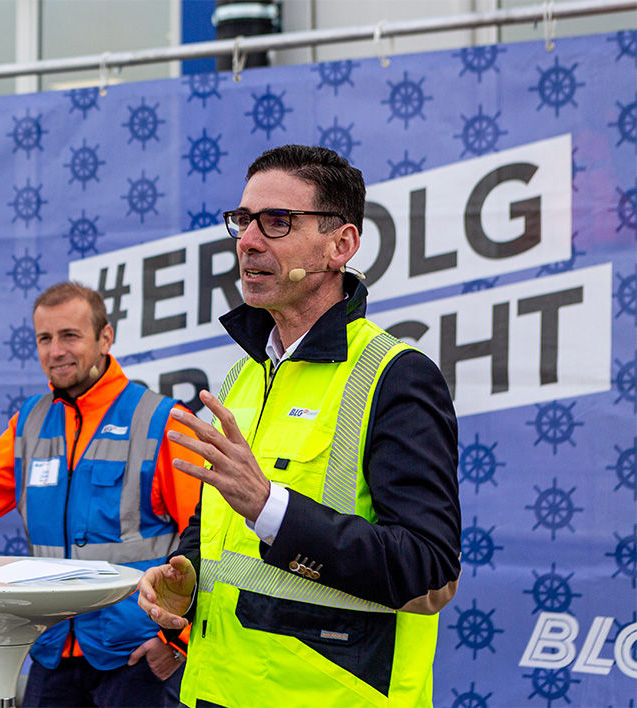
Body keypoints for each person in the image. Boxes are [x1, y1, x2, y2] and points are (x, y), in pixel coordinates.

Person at [137, 144, 462, 708]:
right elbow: (217, 530)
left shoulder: (396, 376)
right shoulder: (243, 374)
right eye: (242, 221)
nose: (249, 240)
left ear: (343, 245)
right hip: (214, 691)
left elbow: (428, 573)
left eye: (277, 222)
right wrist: (184, 579)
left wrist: (270, 507)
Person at [0, 281, 202, 708]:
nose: (55, 351)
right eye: (44, 338)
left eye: (70, 336)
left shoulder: (164, 421)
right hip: (51, 647)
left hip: (136, 656)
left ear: (105, 338)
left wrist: (176, 642)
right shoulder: (30, 424)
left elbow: (207, 544)